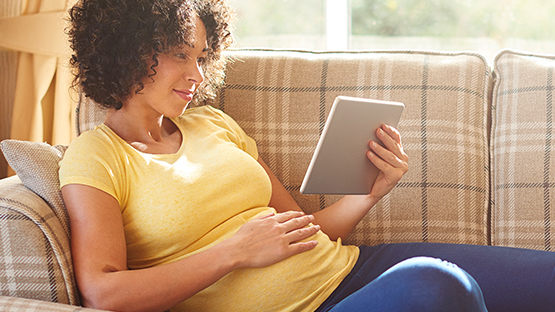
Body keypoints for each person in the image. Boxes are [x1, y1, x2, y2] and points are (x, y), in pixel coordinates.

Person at [59, 0, 555, 311]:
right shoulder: (96, 156)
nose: (199, 74)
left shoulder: (212, 124)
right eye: (181, 54)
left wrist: (369, 191)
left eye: (201, 57)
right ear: (129, 51)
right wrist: (235, 251)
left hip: (354, 270)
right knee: (437, 286)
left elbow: (302, 228)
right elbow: (105, 292)